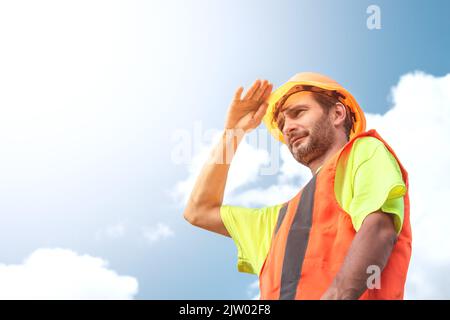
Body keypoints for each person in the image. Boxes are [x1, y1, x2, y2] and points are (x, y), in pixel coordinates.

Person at [183, 72, 412, 300]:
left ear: (337, 113)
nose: (287, 128)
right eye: (282, 123)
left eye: (298, 113)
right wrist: (233, 133)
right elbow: (198, 211)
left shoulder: (364, 152)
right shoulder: (275, 222)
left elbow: (379, 229)